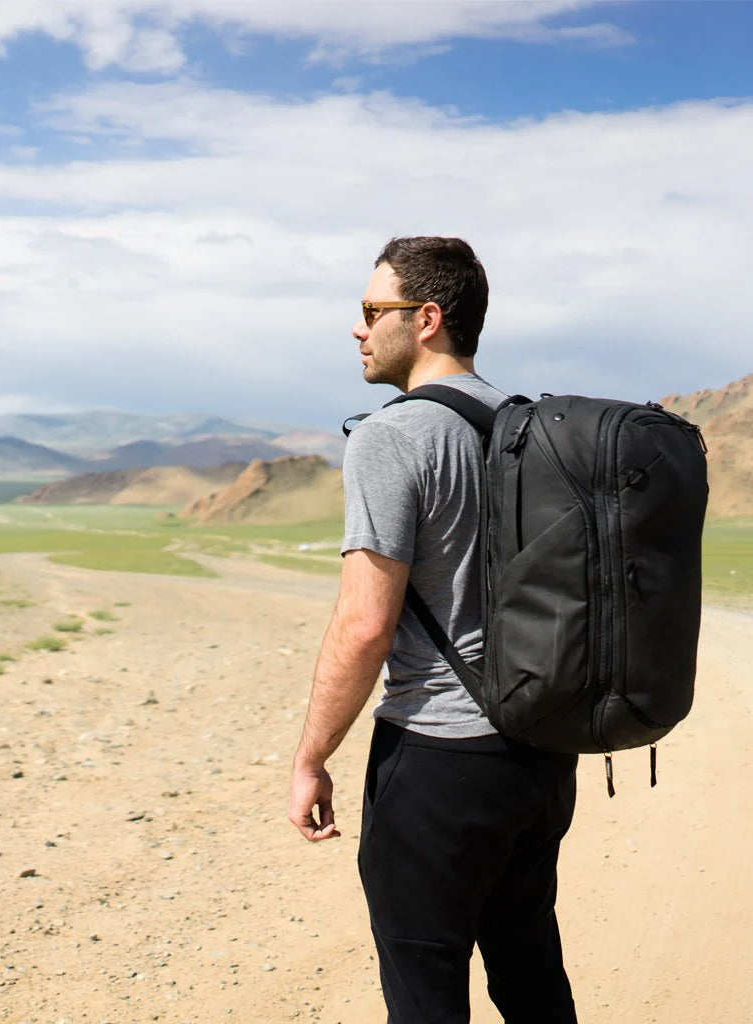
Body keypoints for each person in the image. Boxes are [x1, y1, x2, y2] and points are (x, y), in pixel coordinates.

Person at [288, 236, 578, 1023]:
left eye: (370, 309)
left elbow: (363, 626)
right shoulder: (527, 425)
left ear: (426, 319)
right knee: (531, 977)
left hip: (439, 760)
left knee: (425, 997)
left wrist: (311, 759)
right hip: (540, 752)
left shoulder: (392, 436)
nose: (358, 328)